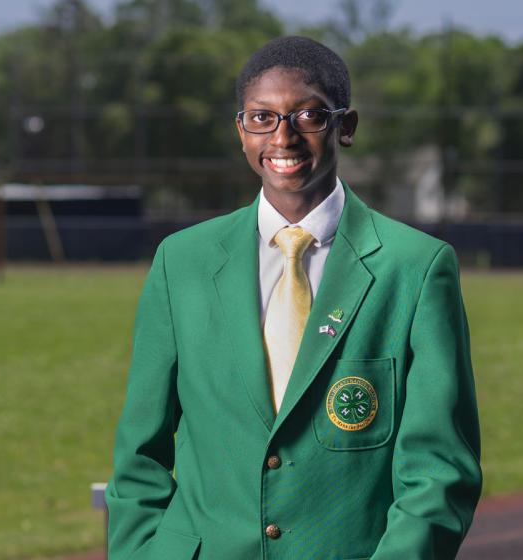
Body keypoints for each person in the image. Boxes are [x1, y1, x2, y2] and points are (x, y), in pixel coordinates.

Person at [105, 36, 481, 560]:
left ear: (345, 127)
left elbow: (439, 472)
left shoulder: (414, 268)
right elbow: (139, 454)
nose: (283, 137)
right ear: (241, 131)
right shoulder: (181, 263)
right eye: (262, 117)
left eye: (309, 116)